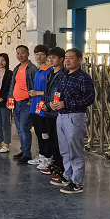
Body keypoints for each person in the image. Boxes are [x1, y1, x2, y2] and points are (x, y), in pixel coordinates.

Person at [50, 48, 95, 194]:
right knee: (65, 150)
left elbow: (89, 99)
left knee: (75, 151)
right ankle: (67, 176)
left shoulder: (84, 78)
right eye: (66, 57)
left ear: (79, 60)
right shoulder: (64, 76)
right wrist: (54, 103)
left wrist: (66, 104)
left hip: (75, 117)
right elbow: (59, 94)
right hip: (61, 116)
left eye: (71, 58)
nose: (67, 60)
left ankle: (77, 183)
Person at [7, 45, 37, 165]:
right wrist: (10, 99)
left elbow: (35, 86)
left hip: (26, 103)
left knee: (24, 128)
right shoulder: (16, 68)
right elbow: (12, 85)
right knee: (19, 129)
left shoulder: (32, 69)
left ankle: (27, 154)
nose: (20, 55)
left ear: (28, 54)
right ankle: (23, 150)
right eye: (18, 53)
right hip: (16, 103)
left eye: (22, 53)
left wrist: (32, 100)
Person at [41, 47, 66, 178]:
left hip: (58, 112)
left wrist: (51, 107)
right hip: (49, 112)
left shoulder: (64, 74)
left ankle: (61, 168)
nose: (51, 60)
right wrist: (45, 105)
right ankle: (55, 164)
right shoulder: (50, 73)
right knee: (51, 140)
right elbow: (47, 93)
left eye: (54, 57)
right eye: (50, 57)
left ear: (61, 59)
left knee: (59, 142)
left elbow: (61, 94)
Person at [27, 45, 53, 169]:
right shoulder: (37, 71)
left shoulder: (49, 71)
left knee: (45, 133)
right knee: (38, 133)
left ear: (47, 56)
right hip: (35, 107)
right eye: (37, 54)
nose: (39, 57)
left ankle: (48, 157)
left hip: (44, 108)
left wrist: (37, 93)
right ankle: (41, 154)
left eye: (42, 54)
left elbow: (51, 91)